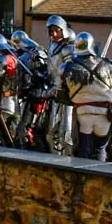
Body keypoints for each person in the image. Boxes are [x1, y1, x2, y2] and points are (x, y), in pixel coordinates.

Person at [57, 32, 112, 161]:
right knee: (101, 149)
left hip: (83, 113)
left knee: (83, 149)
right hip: (105, 113)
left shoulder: (67, 67)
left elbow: (61, 95)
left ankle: (81, 178)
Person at [45, 15, 77, 156]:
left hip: (67, 95)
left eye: (56, 30)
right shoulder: (52, 46)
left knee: (66, 134)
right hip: (55, 93)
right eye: (51, 30)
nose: (53, 33)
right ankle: (55, 159)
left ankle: (68, 161)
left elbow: (70, 73)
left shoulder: (69, 49)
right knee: (50, 133)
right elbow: (51, 70)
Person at [0, 34, 22, 146]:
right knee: (14, 132)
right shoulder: (15, 58)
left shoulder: (1, 59)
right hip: (15, 100)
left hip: (2, 102)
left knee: (0, 133)